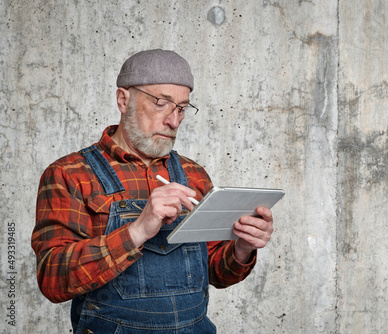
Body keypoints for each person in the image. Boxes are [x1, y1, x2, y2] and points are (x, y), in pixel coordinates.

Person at [31, 49, 275, 333]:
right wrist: (137, 231)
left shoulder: (194, 175)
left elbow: (215, 273)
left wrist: (243, 246)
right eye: (162, 103)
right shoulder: (69, 174)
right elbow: (52, 280)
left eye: (182, 108)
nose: (173, 121)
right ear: (124, 100)